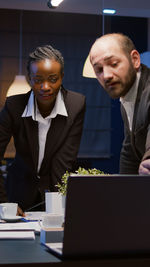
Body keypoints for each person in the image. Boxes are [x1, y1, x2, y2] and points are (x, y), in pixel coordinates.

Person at [0, 45, 86, 215]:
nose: (45, 87)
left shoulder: (76, 105)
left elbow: (65, 160)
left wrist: (60, 207)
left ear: (62, 77)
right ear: (29, 79)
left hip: (55, 193)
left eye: (53, 79)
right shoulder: (14, 106)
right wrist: (3, 204)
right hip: (17, 192)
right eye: (38, 79)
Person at [89, 33, 150, 175]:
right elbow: (129, 151)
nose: (106, 75)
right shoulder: (127, 96)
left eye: (113, 64)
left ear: (135, 60)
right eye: (99, 70)